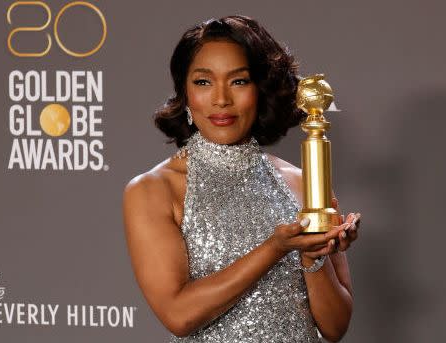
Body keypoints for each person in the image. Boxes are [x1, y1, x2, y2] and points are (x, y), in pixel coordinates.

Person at [123, 15, 361, 342]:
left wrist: (312, 254)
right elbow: (178, 315)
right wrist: (275, 248)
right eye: (203, 82)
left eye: (238, 81)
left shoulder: (301, 183)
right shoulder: (154, 190)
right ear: (185, 95)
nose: (221, 99)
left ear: (260, 91)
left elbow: (335, 327)